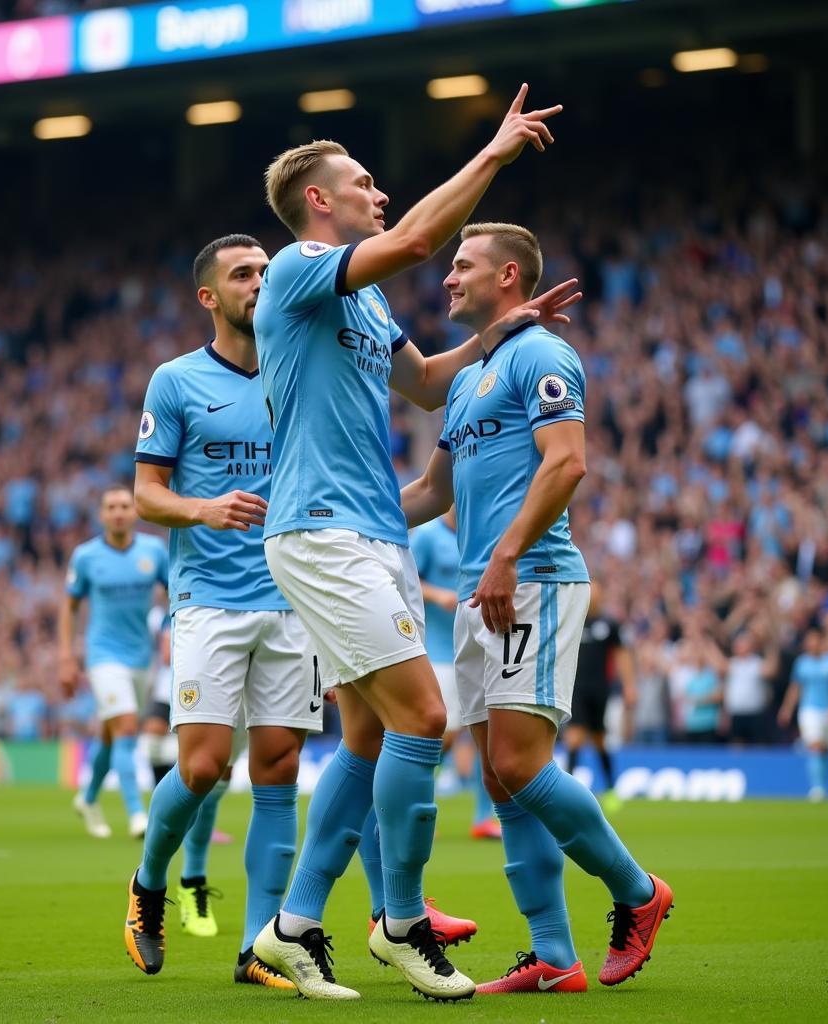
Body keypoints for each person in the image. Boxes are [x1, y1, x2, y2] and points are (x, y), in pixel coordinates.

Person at [250, 84, 571, 1002]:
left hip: (375, 530)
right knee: (424, 719)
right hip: (321, 532)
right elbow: (422, 239)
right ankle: (400, 921)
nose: (378, 191)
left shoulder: (367, 301)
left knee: (364, 738)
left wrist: (501, 335)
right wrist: (495, 152)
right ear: (320, 201)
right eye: (362, 181)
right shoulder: (296, 267)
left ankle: (295, 926)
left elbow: (426, 386)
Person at [400, 221, 673, 995]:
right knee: (497, 776)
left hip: (534, 577)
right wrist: (340, 519)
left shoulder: (545, 355)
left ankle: (638, 892)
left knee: (520, 762)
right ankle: (553, 956)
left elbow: (568, 461)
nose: (448, 278)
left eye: (463, 266)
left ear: (509, 277)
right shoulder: (464, 379)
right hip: (487, 585)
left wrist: (509, 552)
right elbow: (431, 493)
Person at [125, 234, 323, 990]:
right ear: (209, 295)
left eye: (268, 272)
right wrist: (204, 509)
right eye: (244, 274)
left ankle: (258, 947)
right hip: (208, 597)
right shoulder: (175, 381)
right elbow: (147, 493)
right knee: (204, 766)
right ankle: (148, 885)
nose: (260, 283)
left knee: (278, 768)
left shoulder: (300, 369)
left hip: (294, 598)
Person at [59, 485, 169, 839]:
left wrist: (169, 628)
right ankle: (138, 814)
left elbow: (177, 591)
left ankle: (88, 798)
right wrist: (66, 656)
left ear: (135, 511)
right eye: (112, 507)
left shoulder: (154, 551)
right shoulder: (86, 556)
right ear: (102, 515)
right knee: (124, 728)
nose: (119, 512)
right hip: (103, 655)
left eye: (125, 505)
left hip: (141, 657)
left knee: (111, 735)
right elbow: (70, 606)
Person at [411, 506, 501, 838]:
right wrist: (437, 595)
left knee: (487, 735)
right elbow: (405, 579)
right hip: (438, 651)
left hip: (480, 648)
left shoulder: (481, 532)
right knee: (441, 736)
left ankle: (483, 817)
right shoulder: (429, 535)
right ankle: (415, 807)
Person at [564, 580, 636, 811]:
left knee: (599, 741)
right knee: (574, 738)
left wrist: (629, 686)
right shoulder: (571, 620)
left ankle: (612, 789)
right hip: (574, 689)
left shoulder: (609, 625)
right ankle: (569, 794)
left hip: (600, 690)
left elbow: (622, 655)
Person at [778, 629, 828, 801]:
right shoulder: (802, 663)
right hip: (808, 710)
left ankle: (822, 785)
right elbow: (795, 688)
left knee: (824, 748)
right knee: (815, 746)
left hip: (827, 709)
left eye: (815, 640)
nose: (812, 644)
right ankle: (817, 787)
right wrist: (787, 708)